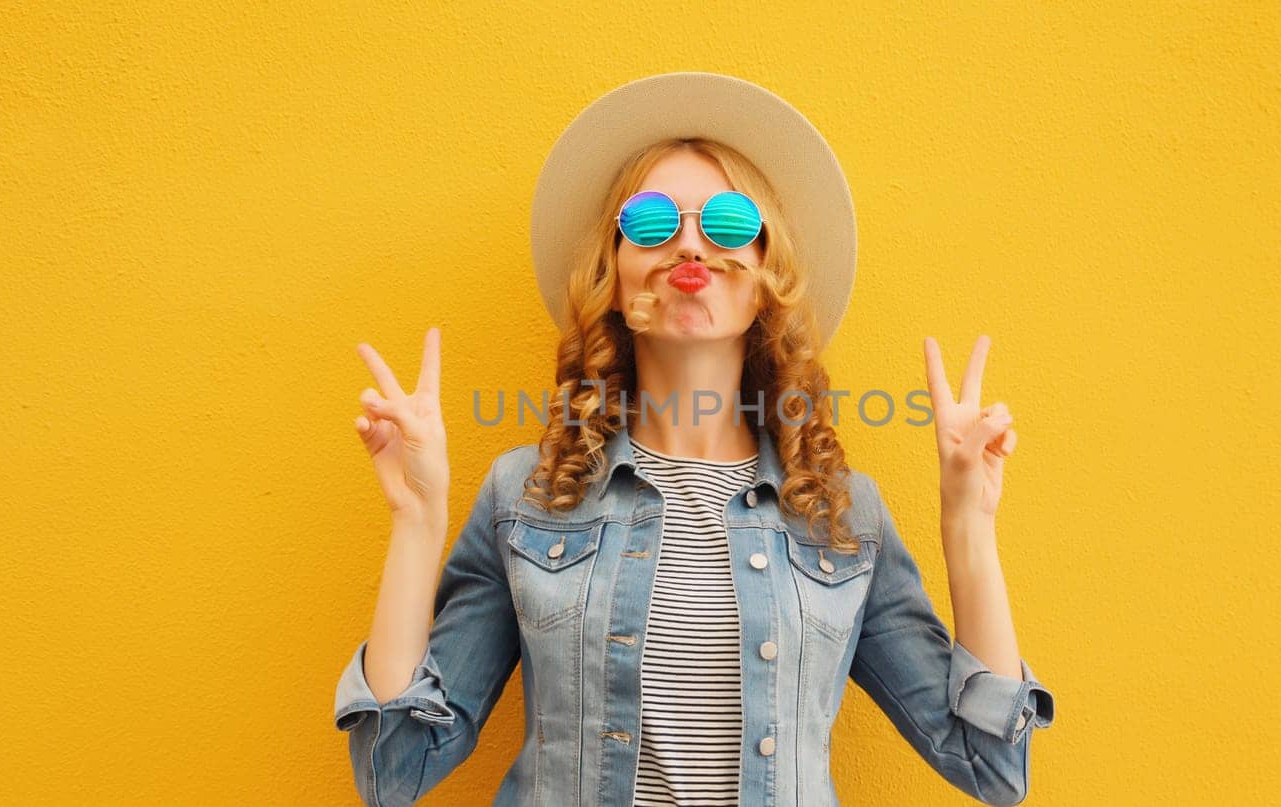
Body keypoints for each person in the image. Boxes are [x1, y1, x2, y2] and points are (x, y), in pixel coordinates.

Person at [332, 72, 1055, 807]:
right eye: (650, 221)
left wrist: (969, 523)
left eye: (729, 222)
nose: (689, 244)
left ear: (766, 275)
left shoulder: (841, 517)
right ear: (614, 274)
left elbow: (991, 766)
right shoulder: (527, 499)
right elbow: (394, 770)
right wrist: (416, 522)